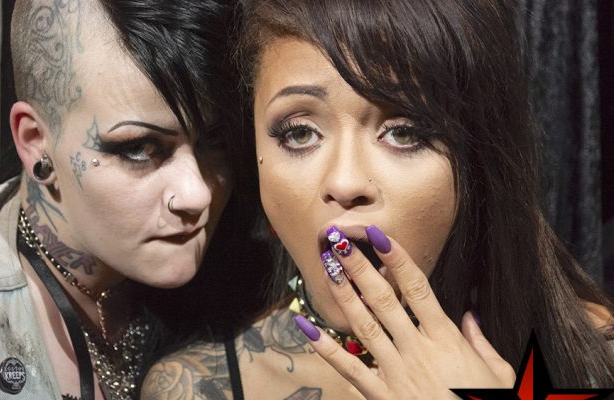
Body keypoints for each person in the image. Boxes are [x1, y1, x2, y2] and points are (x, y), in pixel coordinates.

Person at [141, 0, 614, 398]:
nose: (346, 183)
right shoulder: (196, 387)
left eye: (404, 132)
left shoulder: (594, 356)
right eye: (299, 132)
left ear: (477, 160)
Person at [0, 0, 267, 399]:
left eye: (216, 139)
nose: (197, 194)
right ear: (35, 141)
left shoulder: (242, 265)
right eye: (139, 148)